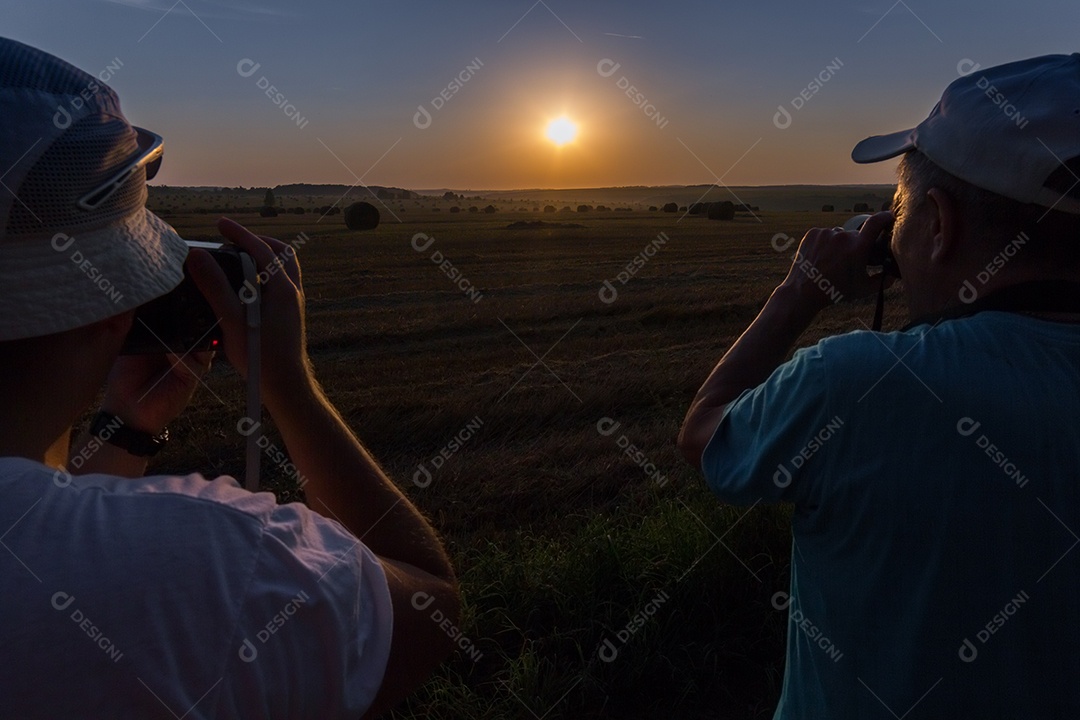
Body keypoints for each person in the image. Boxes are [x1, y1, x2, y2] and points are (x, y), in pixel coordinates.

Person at [0, 37, 458, 717]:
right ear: (109, 308)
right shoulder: (214, 557)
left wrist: (128, 429)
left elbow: (48, 528)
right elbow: (430, 610)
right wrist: (289, 387)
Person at [678, 53, 1080, 718]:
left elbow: (706, 436)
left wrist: (796, 294)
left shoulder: (859, 384)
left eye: (901, 207)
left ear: (940, 225)